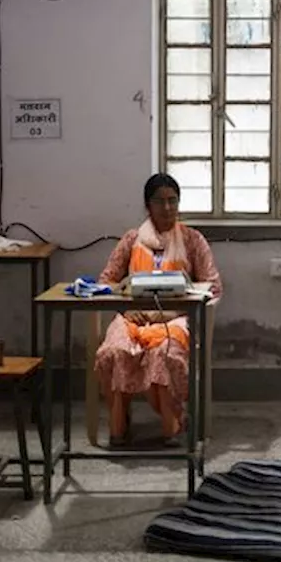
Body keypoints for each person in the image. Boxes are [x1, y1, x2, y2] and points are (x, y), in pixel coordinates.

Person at [94, 173, 222, 443]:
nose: (167, 208)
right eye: (159, 201)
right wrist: (127, 310)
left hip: (175, 320)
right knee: (114, 351)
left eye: (172, 201)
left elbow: (213, 287)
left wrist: (185, 303)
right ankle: (119, 423)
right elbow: (106, 282)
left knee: (162, 355)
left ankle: (172, 422)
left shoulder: (192, 240)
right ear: (147, 206)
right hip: (133, 318)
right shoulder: (131, 240)